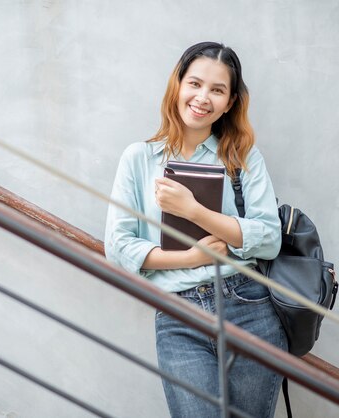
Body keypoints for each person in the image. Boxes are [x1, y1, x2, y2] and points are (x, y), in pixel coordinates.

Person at [104, 41, 287, 417]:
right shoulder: (139, 158)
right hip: (178, 315)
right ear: (178, 84)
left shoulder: (242, 157)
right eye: (195, 83)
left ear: (230, 102)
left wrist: (193, 210)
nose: (203, 98)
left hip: (248, 305)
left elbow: (269, 239)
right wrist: (190, 256)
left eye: (217, 90)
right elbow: (118, 246)